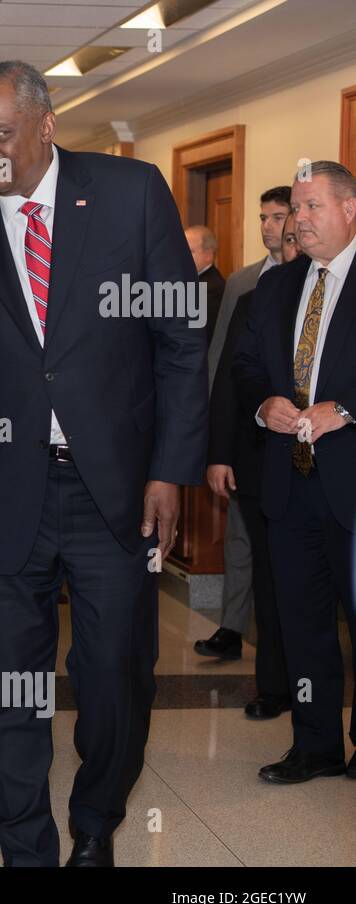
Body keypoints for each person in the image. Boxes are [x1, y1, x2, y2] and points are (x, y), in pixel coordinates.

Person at [0, 61, 206, 866]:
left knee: (116, 676)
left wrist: (167, 468)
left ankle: (95, 820)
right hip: (1, 496)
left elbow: (181, 342)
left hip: (114, 491)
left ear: (47, 123)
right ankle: (26, 847)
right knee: (10, 687)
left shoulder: (130, 194)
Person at [232, 161, 356, 784]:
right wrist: (263, 404)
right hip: (289, 485)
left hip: (352, 486)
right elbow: (247, 365)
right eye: (295, 210)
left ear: (349, 209)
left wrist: (349, 408)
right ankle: (315, 744)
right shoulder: (278, 289)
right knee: (302, 626)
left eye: (311, 208)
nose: (298, 222)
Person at [204, 211, 299, 722]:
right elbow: (227, 380)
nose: (291, 247)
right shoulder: (250, 300)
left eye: (298, 237)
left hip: (325, 466)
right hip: (261, 462)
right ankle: (274, 687)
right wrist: (218, 453)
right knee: (268, 577)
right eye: (285, 238)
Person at [185, 224, 226, 340]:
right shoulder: (191, 281)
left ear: (208, 255)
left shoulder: (211, 289)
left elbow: (191, 333)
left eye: (189, 251)